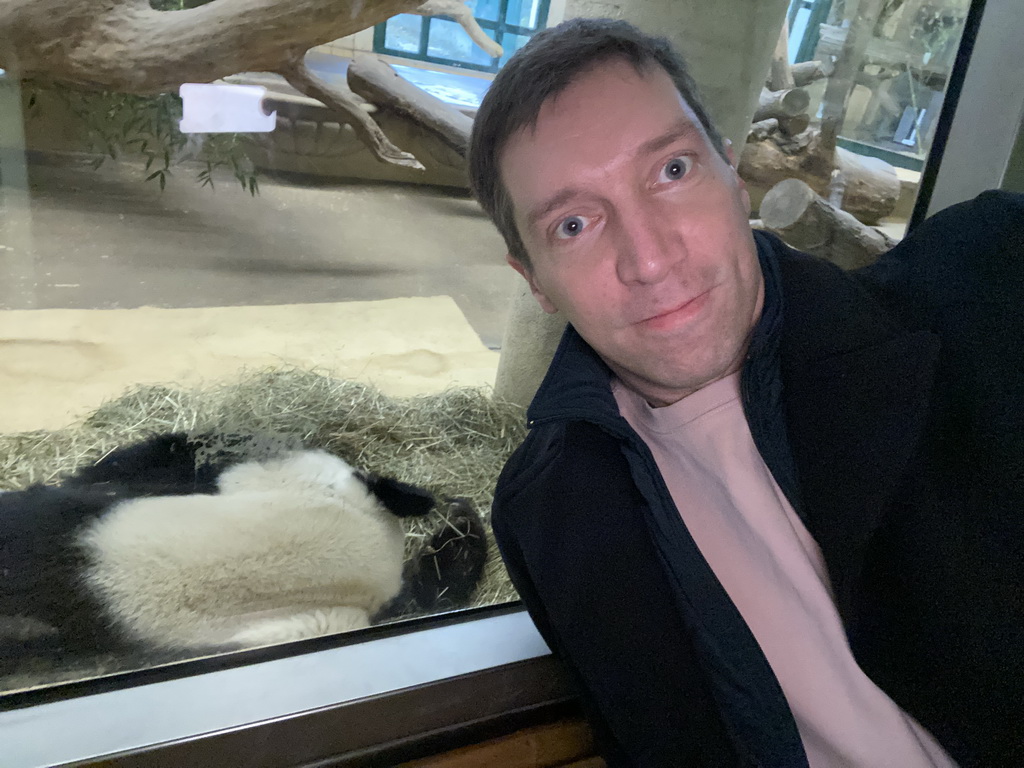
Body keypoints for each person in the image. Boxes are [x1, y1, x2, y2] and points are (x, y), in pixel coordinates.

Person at [467, 17, 1024, 768]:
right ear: (533, 279)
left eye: (671, 172)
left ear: (732, 173)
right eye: (573, 223)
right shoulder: (549, 512)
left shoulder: (991, 286)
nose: (651, 258)